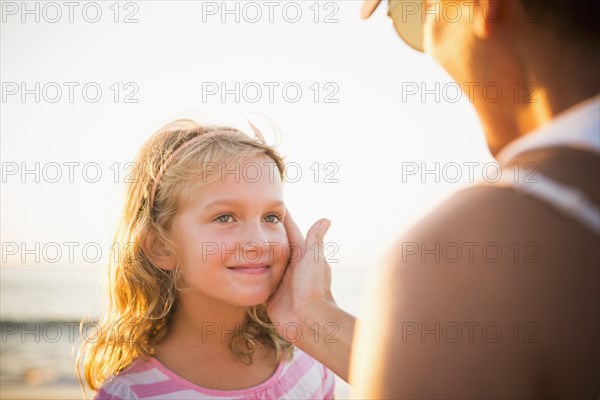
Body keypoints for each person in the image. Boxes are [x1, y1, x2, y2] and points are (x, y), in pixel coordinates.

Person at [266, 0, 599, 398]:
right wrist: (311, 317)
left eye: (415, 15)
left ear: (483, 7)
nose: (424, 44)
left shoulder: (461, 257)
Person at [76, 119, 335, 399]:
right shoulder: (130, 393)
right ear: (162, 247)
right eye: (224, 217)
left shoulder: (311, 364)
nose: (259, 242)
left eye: (271, 217)